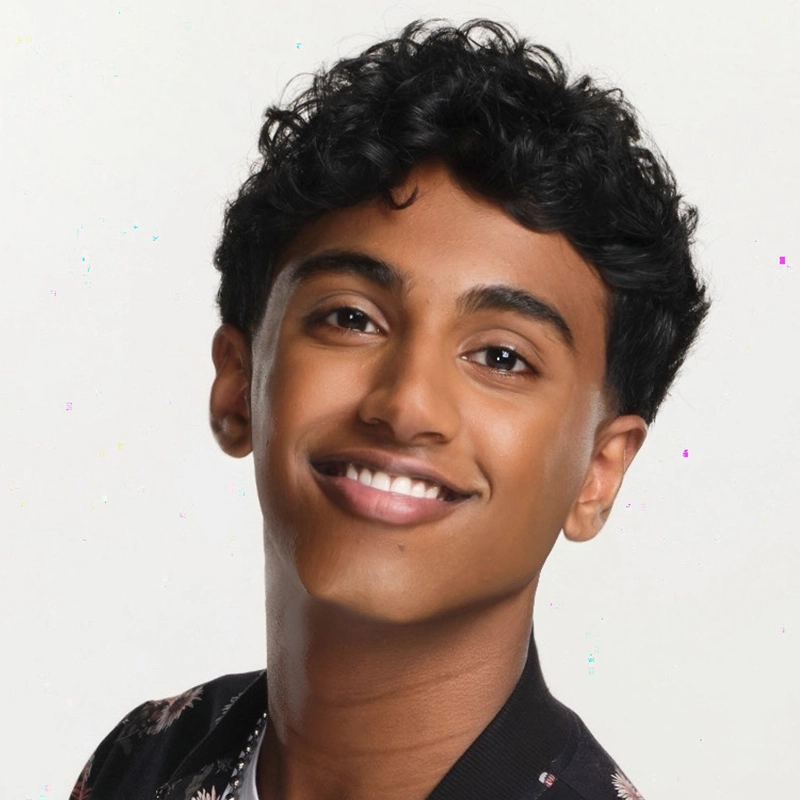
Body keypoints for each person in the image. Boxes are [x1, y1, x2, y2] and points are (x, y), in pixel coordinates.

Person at [70, 18, 709, 800]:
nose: (406, 404)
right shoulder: (144, 764)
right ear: (238, 384)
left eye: (501, 358)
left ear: (598, 474)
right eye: (350, 318)